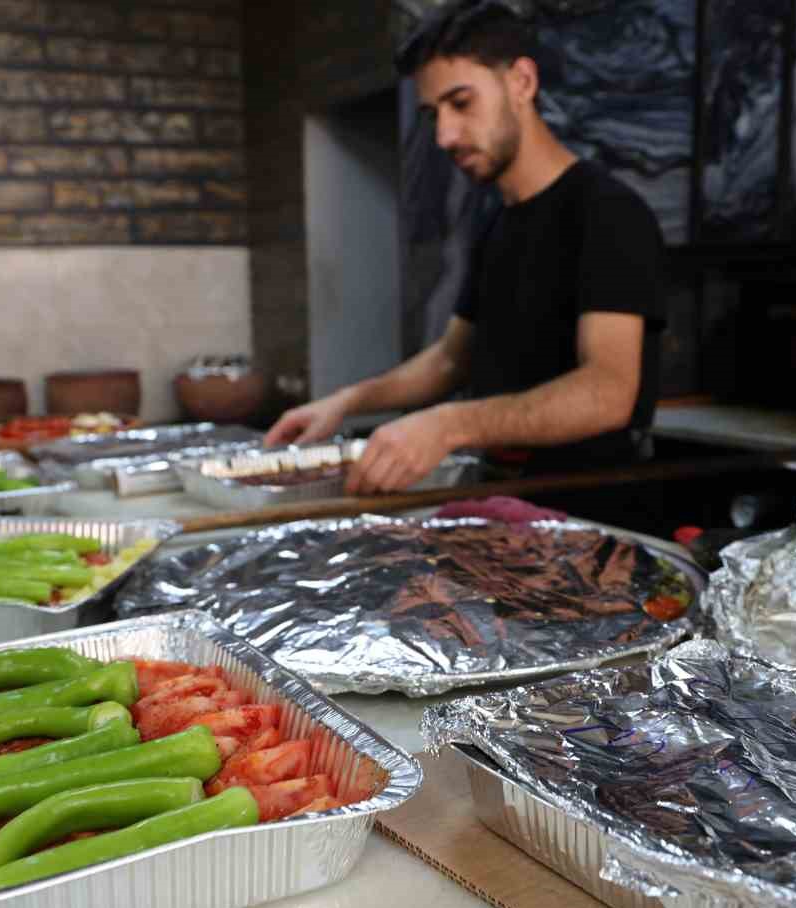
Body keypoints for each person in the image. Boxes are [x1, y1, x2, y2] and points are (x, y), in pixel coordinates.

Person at [265, 0, 667, 529]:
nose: (445, 136)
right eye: (435, 114)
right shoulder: (496, 223)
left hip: (591, 524)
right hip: (506, 512)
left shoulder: (607, 212)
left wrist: (449, 425)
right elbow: (450, 361)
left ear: (522, 81)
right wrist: (345, 402)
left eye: (461, 103)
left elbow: (608, 392)